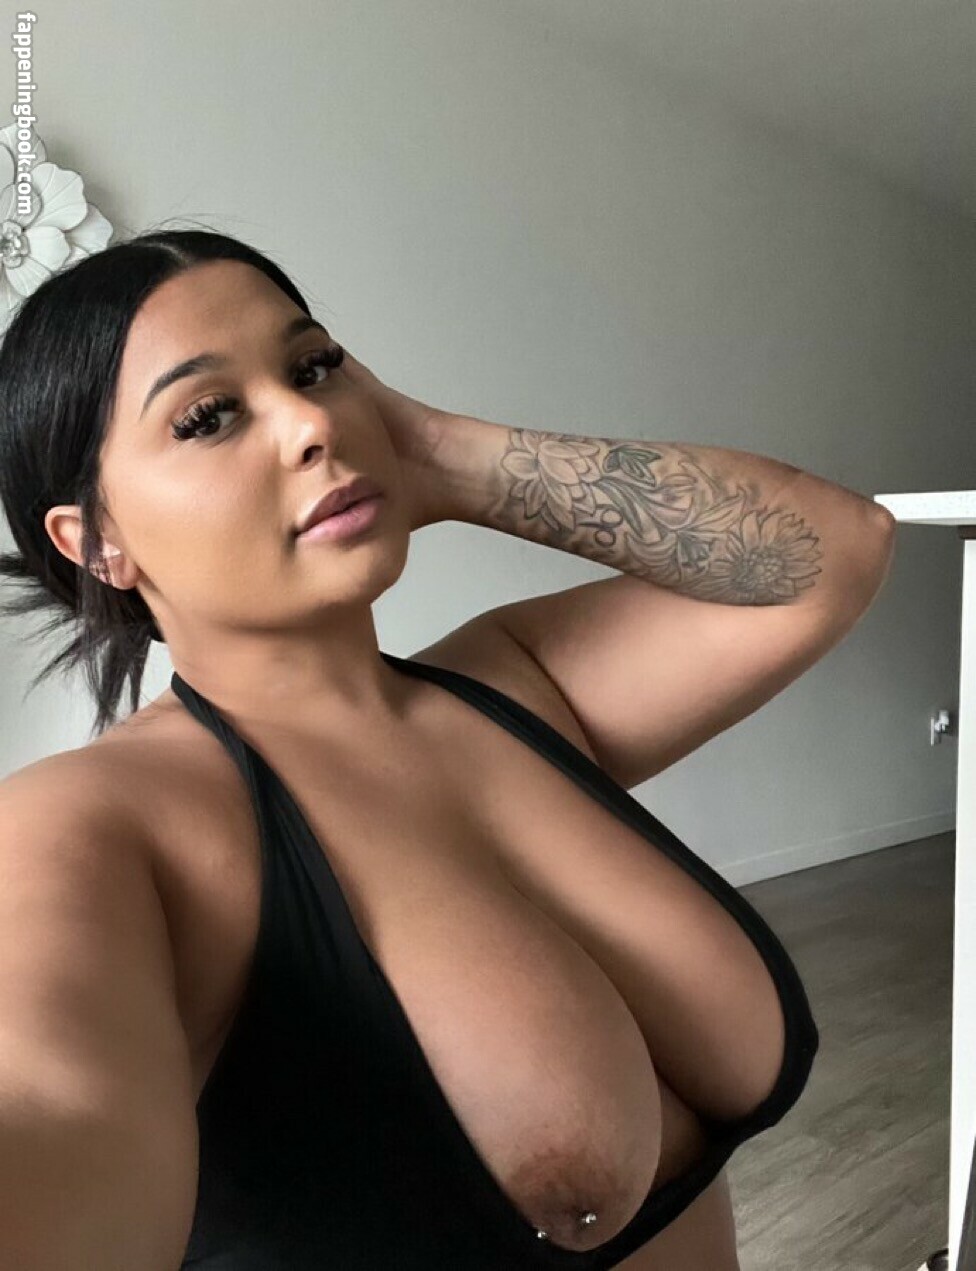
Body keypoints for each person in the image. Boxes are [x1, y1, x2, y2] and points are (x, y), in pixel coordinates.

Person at [0, 228, 895, 1269]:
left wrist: (427, 452)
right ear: (96, 541)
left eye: (314, 367)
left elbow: (837, 548)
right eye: (208, 416)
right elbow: (48, 1111)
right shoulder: (91, 823)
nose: (310, 422)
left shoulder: (515, 682)